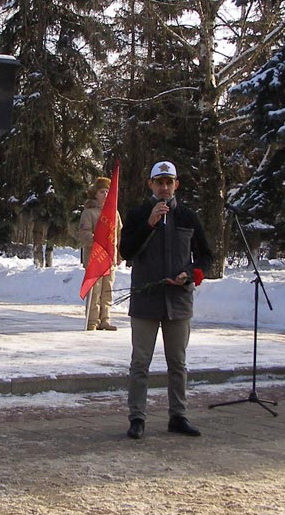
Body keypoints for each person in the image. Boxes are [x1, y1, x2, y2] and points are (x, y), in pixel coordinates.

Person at [118, 160, 212, 439]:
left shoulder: (187, 216)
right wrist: (149, 224)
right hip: (146, 300)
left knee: (178, 363)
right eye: (159, 182)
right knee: (140, 362)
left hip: (178, 300)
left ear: (176, 185)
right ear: (151, 184)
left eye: (169, 182)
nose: (164, 187)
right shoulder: (137, 214)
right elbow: (126, 251)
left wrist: (190, 274)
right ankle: (137, 417)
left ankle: (178, 416)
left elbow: (205, 256)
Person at [78, 176, 122, 331]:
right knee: (95, 290)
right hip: (94, 258)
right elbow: (84, 233)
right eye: (102, 191)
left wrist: (118, 253)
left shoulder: (114, 213)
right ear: (95, 194)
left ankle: (105, 319)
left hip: (109, 258)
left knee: (107, 290)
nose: (105, 194)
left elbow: (118, 234)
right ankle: (92, 320)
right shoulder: (89, 213)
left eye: (108, 191)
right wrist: (97, 241)